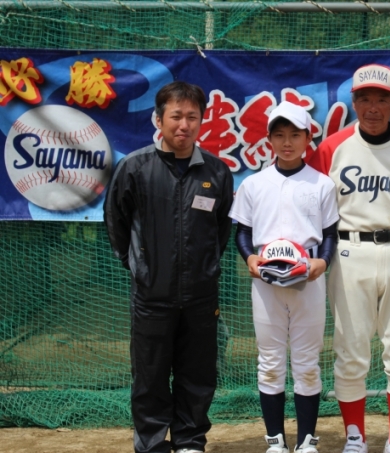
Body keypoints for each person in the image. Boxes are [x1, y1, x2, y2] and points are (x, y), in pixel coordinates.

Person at [308, 64, 390, 453]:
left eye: (381, 99)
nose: (372, 107)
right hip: (350, 251)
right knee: (350, 350)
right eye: (364, 99)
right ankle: (356, 436)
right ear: (353, 102)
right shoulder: (332, 148)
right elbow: (314, 205)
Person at [104, 81, 234, 453]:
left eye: (192, 117)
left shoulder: (216, 172)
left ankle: (190, 440)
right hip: (151, 296)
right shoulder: (135, 167)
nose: (184, 125)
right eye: (176, 116)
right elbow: (116, 221)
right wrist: (138, 266)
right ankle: (151, 443)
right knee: (150, 376)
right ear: (158, 120)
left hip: (200, 297)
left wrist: (204, 267)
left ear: (201, 121)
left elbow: (221, 229)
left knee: (198, 373)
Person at [229, 101, 339, 453]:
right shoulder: (253, 184)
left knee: (307, 363)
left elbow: (330, 233)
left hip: (308, 279)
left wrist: (323, 262)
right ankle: (275, 440)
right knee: (270, 361)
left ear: (308, 138)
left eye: (295, 135)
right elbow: (242, 232)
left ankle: (306, 441)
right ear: (269, 139)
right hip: (265, 282)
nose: (287, 142)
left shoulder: (321, 184)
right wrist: (250, 257)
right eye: (279, 135)